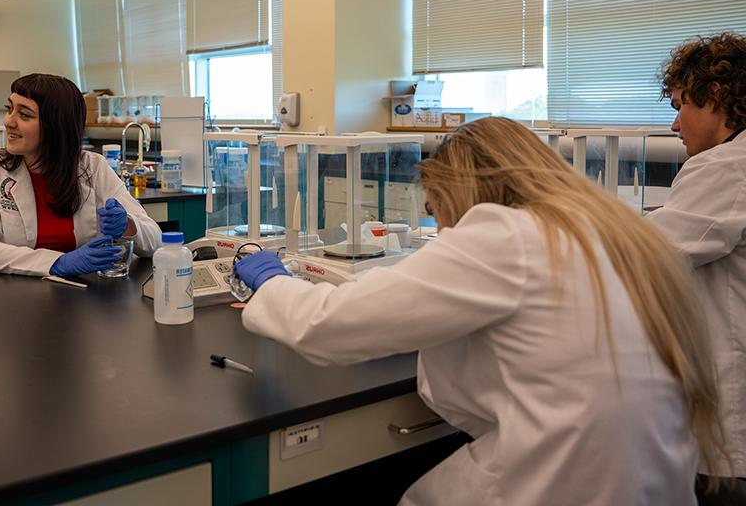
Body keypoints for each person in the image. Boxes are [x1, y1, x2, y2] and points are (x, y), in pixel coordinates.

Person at [235, 117, 724, 506]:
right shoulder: (611, 231)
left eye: (437, 205)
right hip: (655, 482)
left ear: (462, 190)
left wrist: (272, 281)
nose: (441, 222)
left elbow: (330, 326)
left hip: (558, 482)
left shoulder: (506, 234)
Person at [646, 32, 746, 504]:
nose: (674, 124)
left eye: (682, 104)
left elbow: (651, 253)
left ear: (717, 97)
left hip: (731, 429)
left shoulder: (727, 167)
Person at [0, 74, 161, 277]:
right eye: (10, 109)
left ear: (56, 126)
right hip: (14, 296)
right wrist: (58, 263)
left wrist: (127, 225)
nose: (8, 121)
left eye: (24, 115)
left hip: (84, 297)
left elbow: (155, 240)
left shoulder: (92, 167)